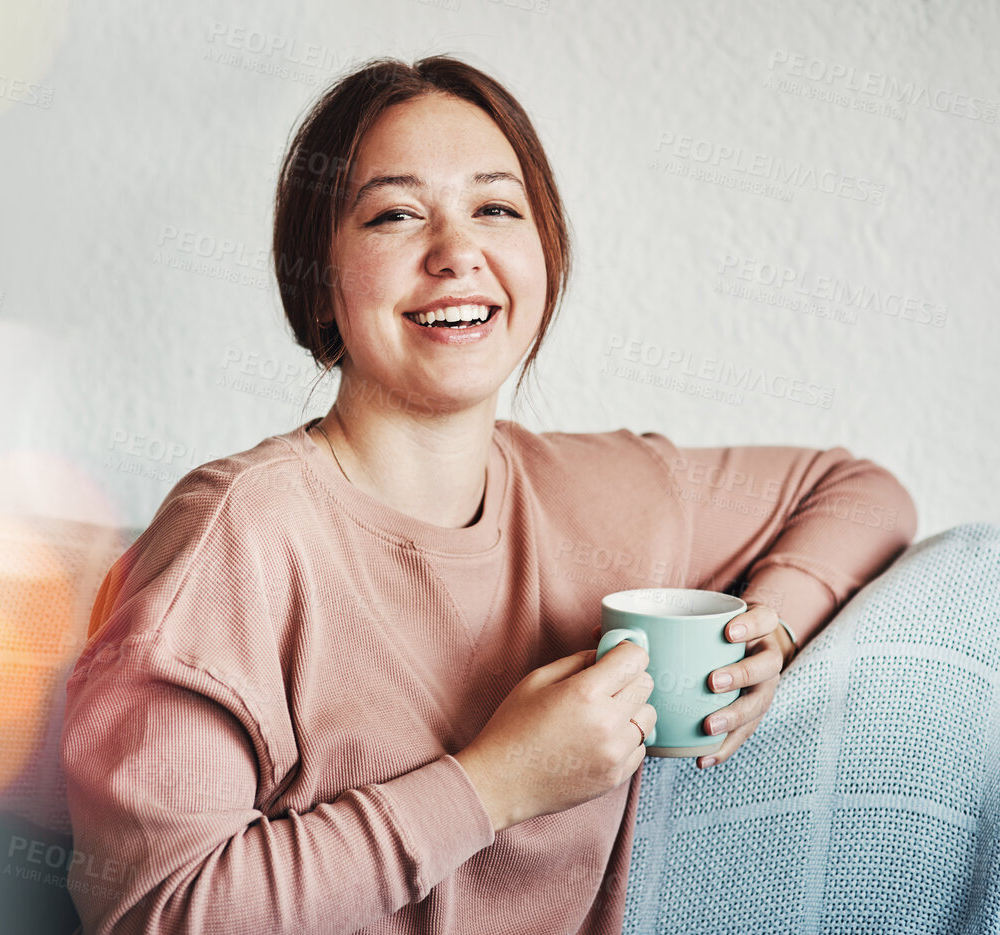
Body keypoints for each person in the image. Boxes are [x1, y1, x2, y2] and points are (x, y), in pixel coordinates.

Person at [58, 55, 916, 935]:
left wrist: (762, 633)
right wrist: (494, 783)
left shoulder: (609, 492)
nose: (457, 253)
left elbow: (857, 491)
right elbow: (155, 912)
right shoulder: (238, 535)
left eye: (496, 209)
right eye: (395, 215)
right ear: (319, 282)